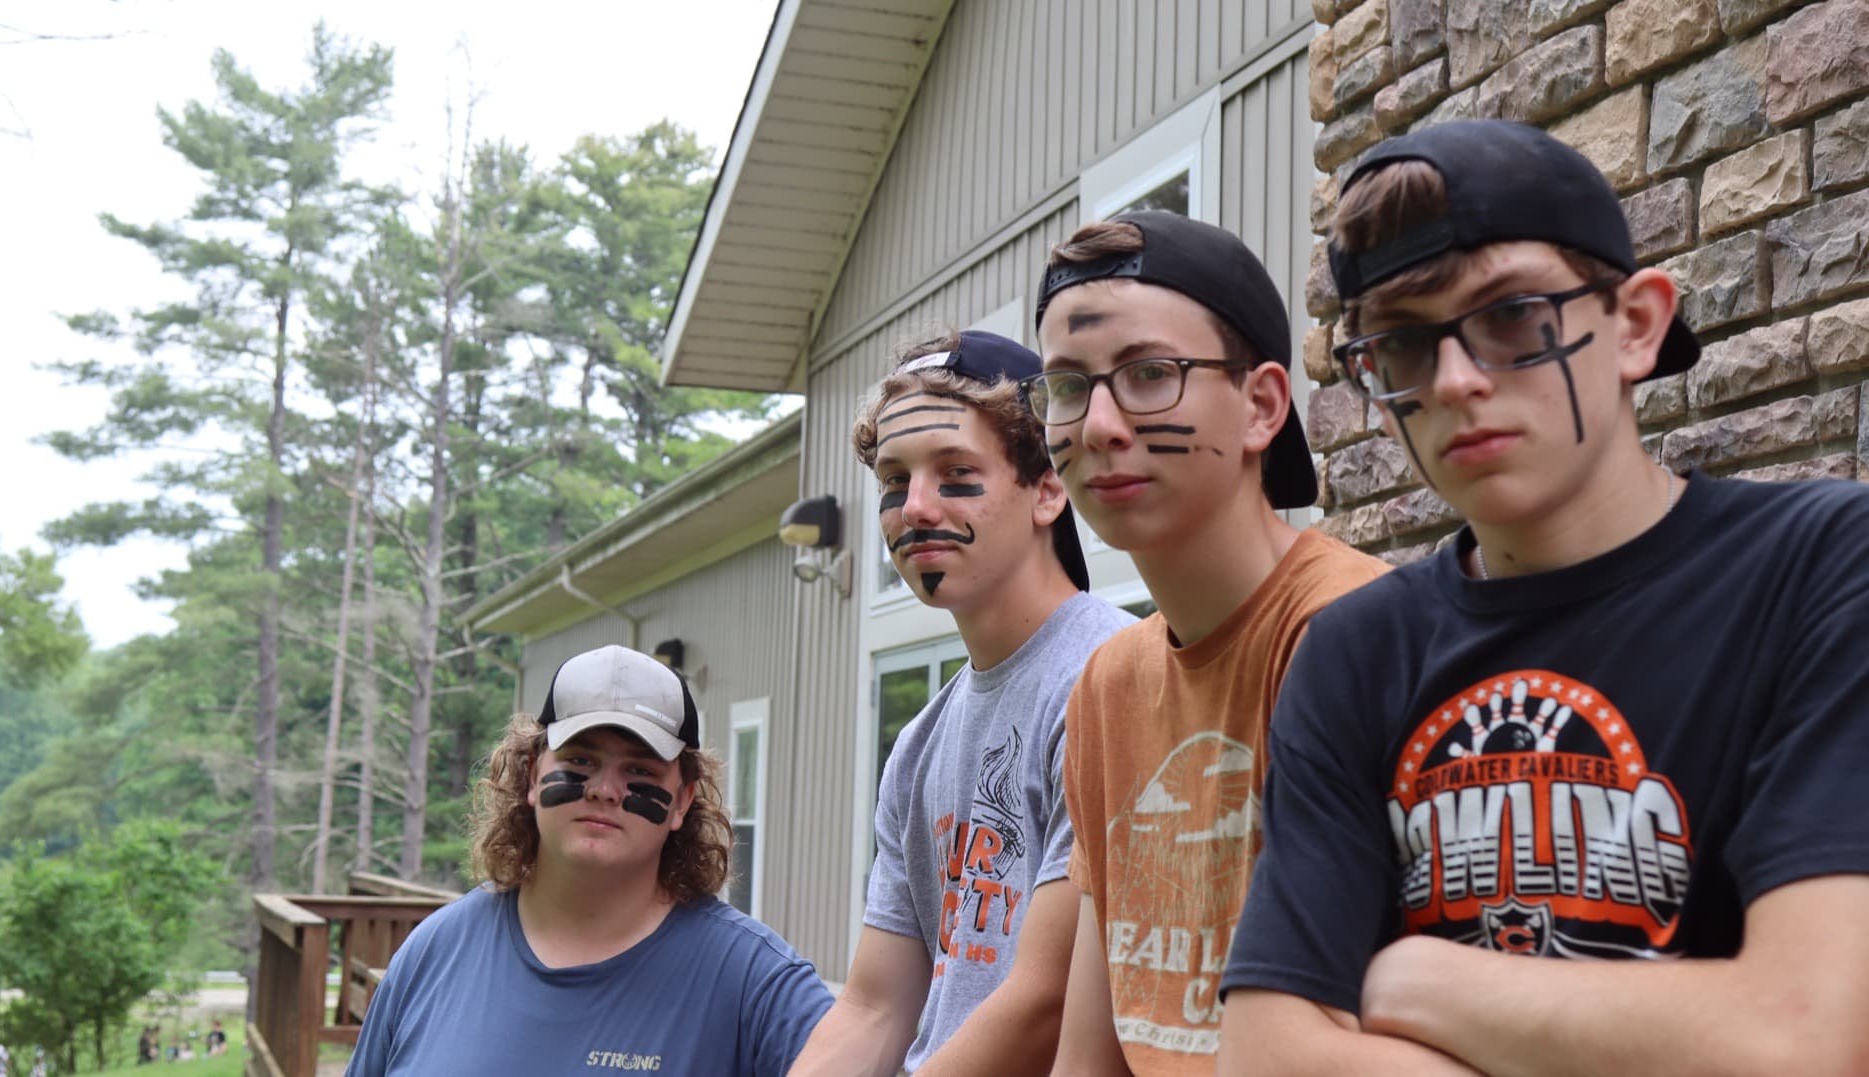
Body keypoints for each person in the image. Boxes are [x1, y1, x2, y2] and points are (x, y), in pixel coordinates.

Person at [1217, 118, 1869, 1075]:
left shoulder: (1820, 565)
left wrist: (1415, 984)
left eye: (1514, 314)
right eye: (1400, 345)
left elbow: (1804, 1035)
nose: (1455, 379)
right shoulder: (1356, 649)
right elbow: (1267, 1056)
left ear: (1637, 325)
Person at [1027, 210, 1389, 1075]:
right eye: (1068, 387)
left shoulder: (1354, 634)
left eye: (1150, 374)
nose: (1100, 425)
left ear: (1263, 404)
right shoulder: (1108, 684)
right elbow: (1092, 1053)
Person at [790, 330, 1134, 1075]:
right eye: (892, 478)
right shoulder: (917, 745)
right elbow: (876, 1006)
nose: (913, 507)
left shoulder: (1110, 678)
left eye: (954, 472)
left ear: (1049, 490)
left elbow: (1046, 999)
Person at [346, 645, 833, 1076]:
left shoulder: (756, 984)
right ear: (533, 776)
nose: (604, 790)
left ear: (683, 801)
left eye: (639, 769)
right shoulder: (434, 952)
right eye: (580, 762)